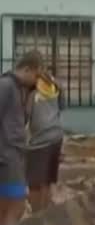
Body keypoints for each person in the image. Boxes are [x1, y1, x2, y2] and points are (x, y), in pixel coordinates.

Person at [0, 52, 42, 225]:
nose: (37, 80)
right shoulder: (6, 86)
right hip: (7, 159)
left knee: (8, 207)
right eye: (36, 75)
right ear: (26, 69)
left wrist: (31, 96)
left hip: (13, 158)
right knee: (16, 205)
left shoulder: (18, 90)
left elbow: (20, 121)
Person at [26, 72, 64, 212]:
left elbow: (25, 116)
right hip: (56, 138)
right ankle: (44, 213)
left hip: (39, 142)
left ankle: (36, 215)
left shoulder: (33, 95)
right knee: (47, 180)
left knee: (34, 183)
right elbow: (61, 108)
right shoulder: (54, 91)